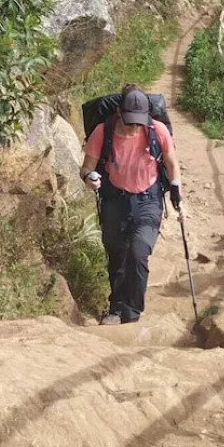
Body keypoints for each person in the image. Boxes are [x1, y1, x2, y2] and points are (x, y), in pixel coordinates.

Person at [81, 85, 182, 325]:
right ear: (119, 112)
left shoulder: (157, 131)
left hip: (149, 200)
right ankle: (116, 307)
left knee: (138, 253)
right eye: (130, 121)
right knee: (116, 254)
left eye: (139, 121)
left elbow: (171, 163)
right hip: (115, 200)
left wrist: (176, 189)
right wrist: (89, 177)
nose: (135, 127)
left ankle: (131, 313)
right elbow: (86, 167)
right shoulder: (102, 132)